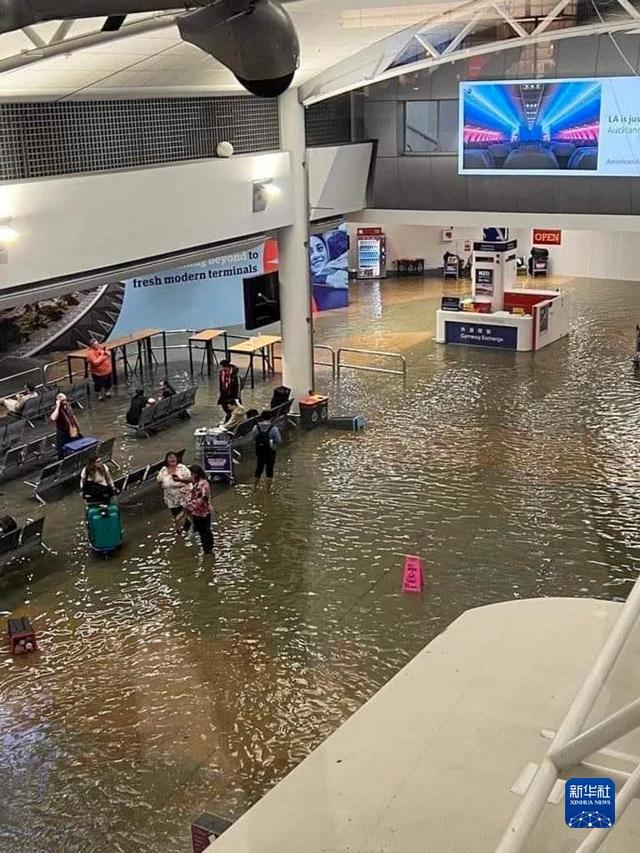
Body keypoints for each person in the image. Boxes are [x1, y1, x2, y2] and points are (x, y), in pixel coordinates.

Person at [156, 451, 192, 530]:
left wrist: (180, 479)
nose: (172, 459)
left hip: (184, 495)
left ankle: (186, 527)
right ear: (167, 460)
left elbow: (190, 479)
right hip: (171, 498)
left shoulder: (182, 468)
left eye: (173, 457)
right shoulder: (164, 469)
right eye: (170, 457)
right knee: (175, 514)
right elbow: (158, 480)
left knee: (183, 514)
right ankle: (181, 528)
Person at [186, 465, 214, 554]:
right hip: (199, 512)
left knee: (204, 532)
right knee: (204, 531)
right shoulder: (198, 483)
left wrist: (191, 504)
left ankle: (207, 549)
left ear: (195, 474)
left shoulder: (202, 484)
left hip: (202, 512)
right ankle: (207, 548)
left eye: (191, 474)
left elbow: (204, 497)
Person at [252, 410, 282, 492]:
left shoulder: (256, 427)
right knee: (269, 469)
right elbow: (279, 440)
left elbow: (253, 438)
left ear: (261, 417)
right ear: (271, 418)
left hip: (259, 450)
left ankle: (254, 487)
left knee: (259, 467)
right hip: (270, 451)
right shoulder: (274, 429)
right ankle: (267, 490)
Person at [50, 392, 81, 458]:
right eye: (62, 401)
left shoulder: (67, 406)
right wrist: (58, 406)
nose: (64, 402)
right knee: (63, 452)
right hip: (62, 433)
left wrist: (78, 429)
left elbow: (73, 416)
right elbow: (53, 418)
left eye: (65, 400)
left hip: (71, 431)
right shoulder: (56, 409)